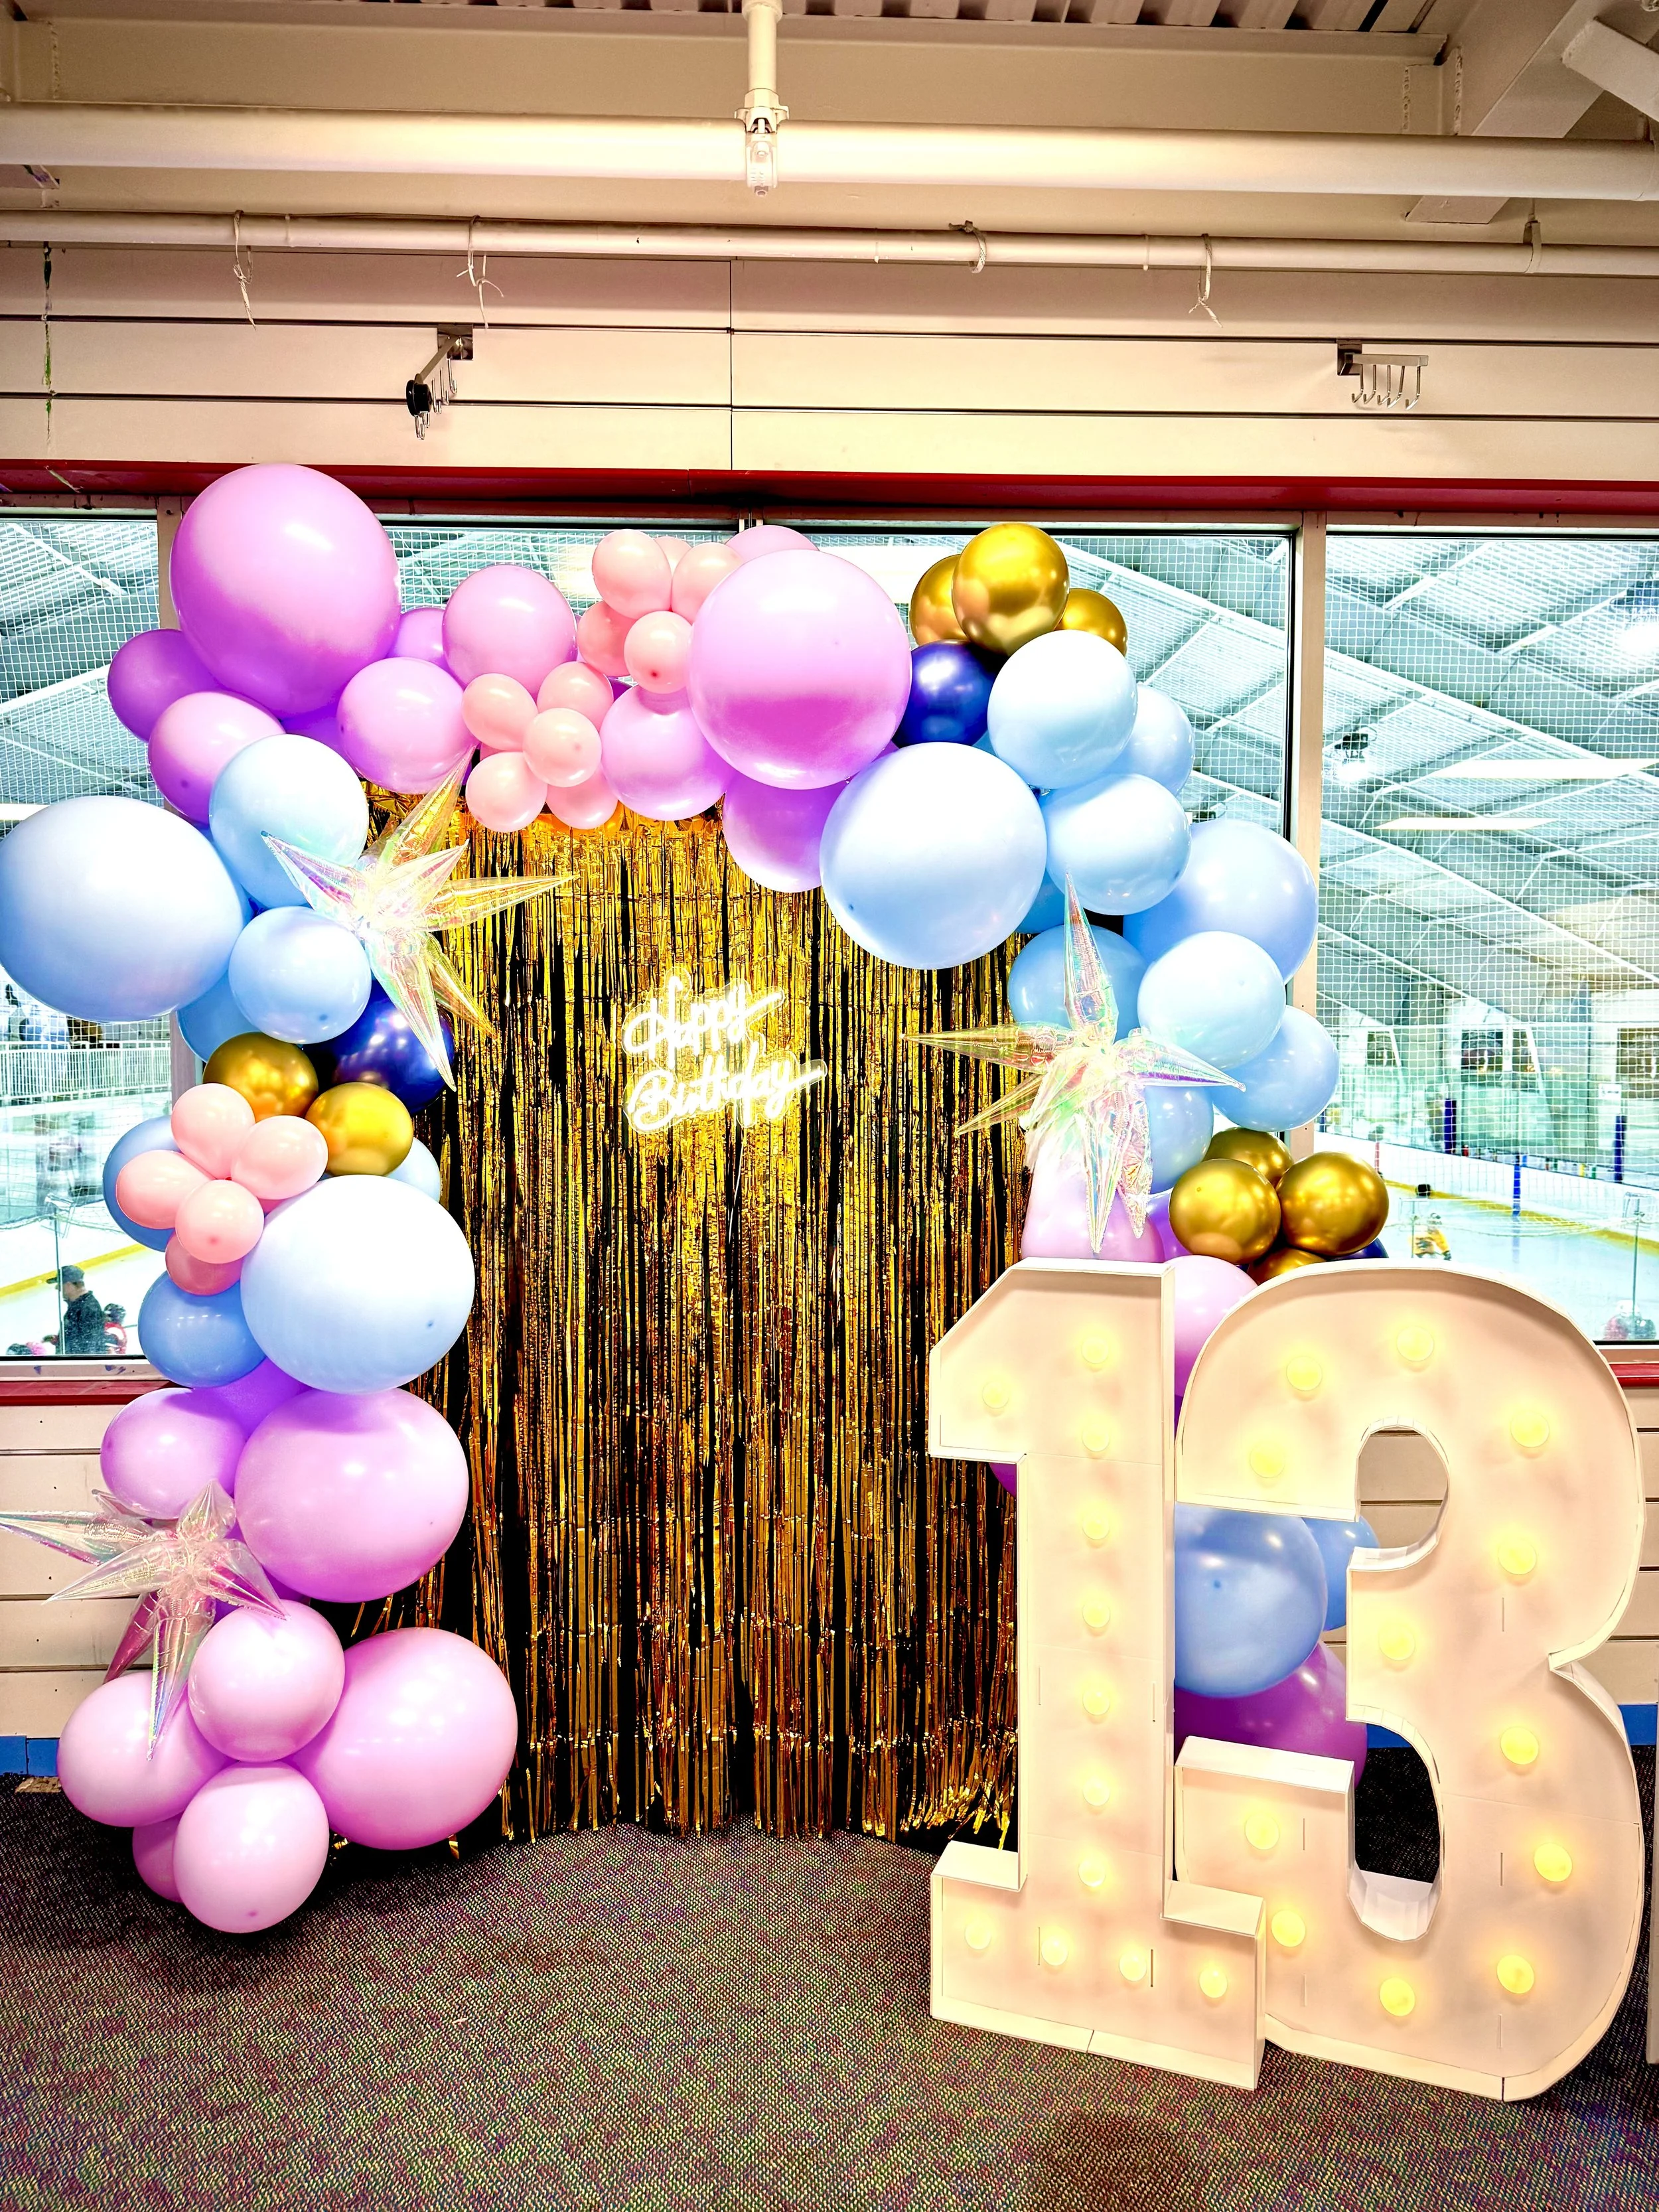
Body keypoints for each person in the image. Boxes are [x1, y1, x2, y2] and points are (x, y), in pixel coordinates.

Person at [56, 1265, 108, 1356]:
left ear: (69, 1285)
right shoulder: (79, 1305)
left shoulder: (89, 1309)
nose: (57, 1288)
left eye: (60, 1285)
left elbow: (89, 1347)